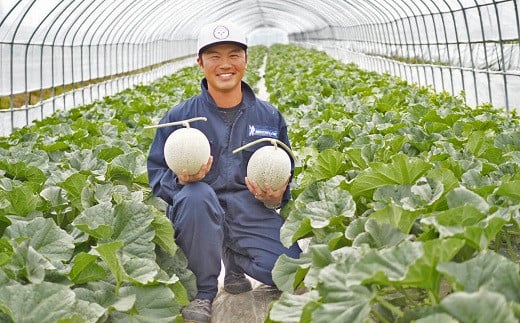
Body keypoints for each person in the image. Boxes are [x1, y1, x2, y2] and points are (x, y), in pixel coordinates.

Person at [147, 20, 301, 323]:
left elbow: (286, 170)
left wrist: (276, 197)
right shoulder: (180, 117)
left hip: (249, 208)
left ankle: (233, 259)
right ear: (200, 62)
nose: (224, 64)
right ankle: (203, 292)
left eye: (233, 55)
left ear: (245, 60)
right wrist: (179, 181)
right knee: (196, 196)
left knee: (291, 271)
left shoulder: (268, 115)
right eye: (214, 56)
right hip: (199, 212)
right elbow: (156, 174)